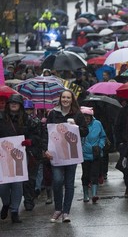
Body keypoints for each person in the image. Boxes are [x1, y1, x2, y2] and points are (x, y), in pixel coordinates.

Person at [44, 90, 88, 222]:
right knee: (57, 180)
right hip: (56, 154)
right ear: (60, 99)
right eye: (63, 97)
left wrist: (76, 127)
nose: (66, 100)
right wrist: (45, 150)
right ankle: (58, 209)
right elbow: (46, 132)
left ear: (72, 99)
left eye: (68, 97)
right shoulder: (53, 113)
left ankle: (66, 212)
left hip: (71, 154)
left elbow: (85, 131)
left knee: (69, 183)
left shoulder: (78, 114)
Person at [0, 95, 44, 223]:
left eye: (16, 102)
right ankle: (7, 203)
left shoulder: (27, 120)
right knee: (3, 184)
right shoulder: (1, 118)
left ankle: (14, 211)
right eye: (11, 102)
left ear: (20, 105)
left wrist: (30, 141)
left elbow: (37, 136)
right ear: (8, 104)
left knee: (18, 183)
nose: (13, 104)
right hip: (3, 156)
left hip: (21, 155)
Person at [80, 106, 106, 203]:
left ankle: (94, 194)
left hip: (96, 154)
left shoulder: (97, 124)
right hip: (84, 155)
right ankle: (86, 194)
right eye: (84, 117)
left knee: (95, 174)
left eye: (88, 117)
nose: (86, 119)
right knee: (85, 175)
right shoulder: (80, 125)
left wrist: (100, 146)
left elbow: (103, 136)